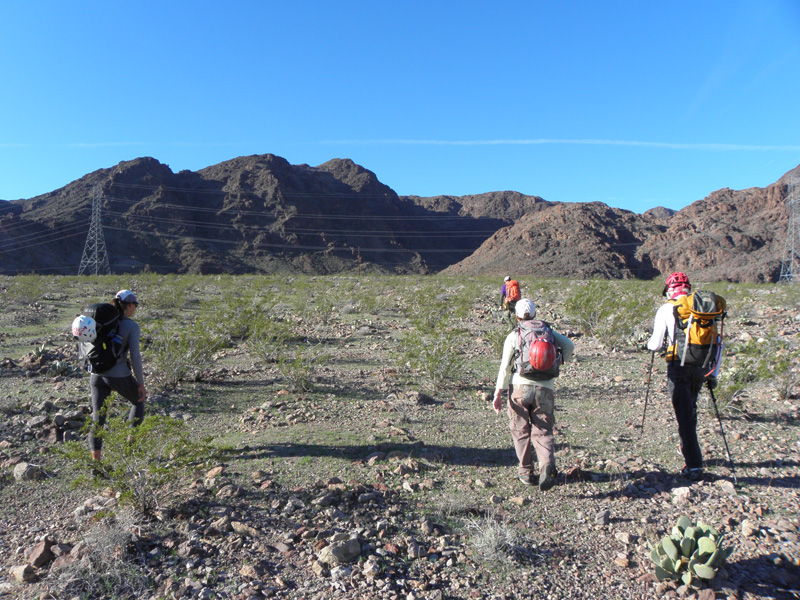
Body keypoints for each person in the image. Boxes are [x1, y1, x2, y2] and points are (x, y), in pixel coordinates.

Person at [492, 298, 574, 490]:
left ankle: (526, 472)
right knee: (543, 429)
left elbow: (504, 367)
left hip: (519, 387)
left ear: (517, 315)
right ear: (535, 314)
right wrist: (558, 361)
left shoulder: (514, 334)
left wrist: (498, 393)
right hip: (545, 388)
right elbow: (569, 346)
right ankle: (546, 465)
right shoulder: (549, 332)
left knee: (520, 429)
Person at [646, 272, 705, 481]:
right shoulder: (701, 307)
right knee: (691, 407)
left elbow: (655, 344)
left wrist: (649, 344)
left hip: (677, 365)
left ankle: (694, 464)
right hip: (699, 364)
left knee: (684, 415)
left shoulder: (666, 309)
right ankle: (690, 449)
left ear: (669, 290)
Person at [88, 289, 147, 461]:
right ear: (129, 305)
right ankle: (131, 450)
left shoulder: (102, 322)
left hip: (96, 374)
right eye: (134, 305)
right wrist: (140, 383)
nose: (135, 309)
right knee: (139, 400)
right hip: (118, 374)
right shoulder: (131, 326)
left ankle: (96, 465)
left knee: (98, 418)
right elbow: (135, 356)